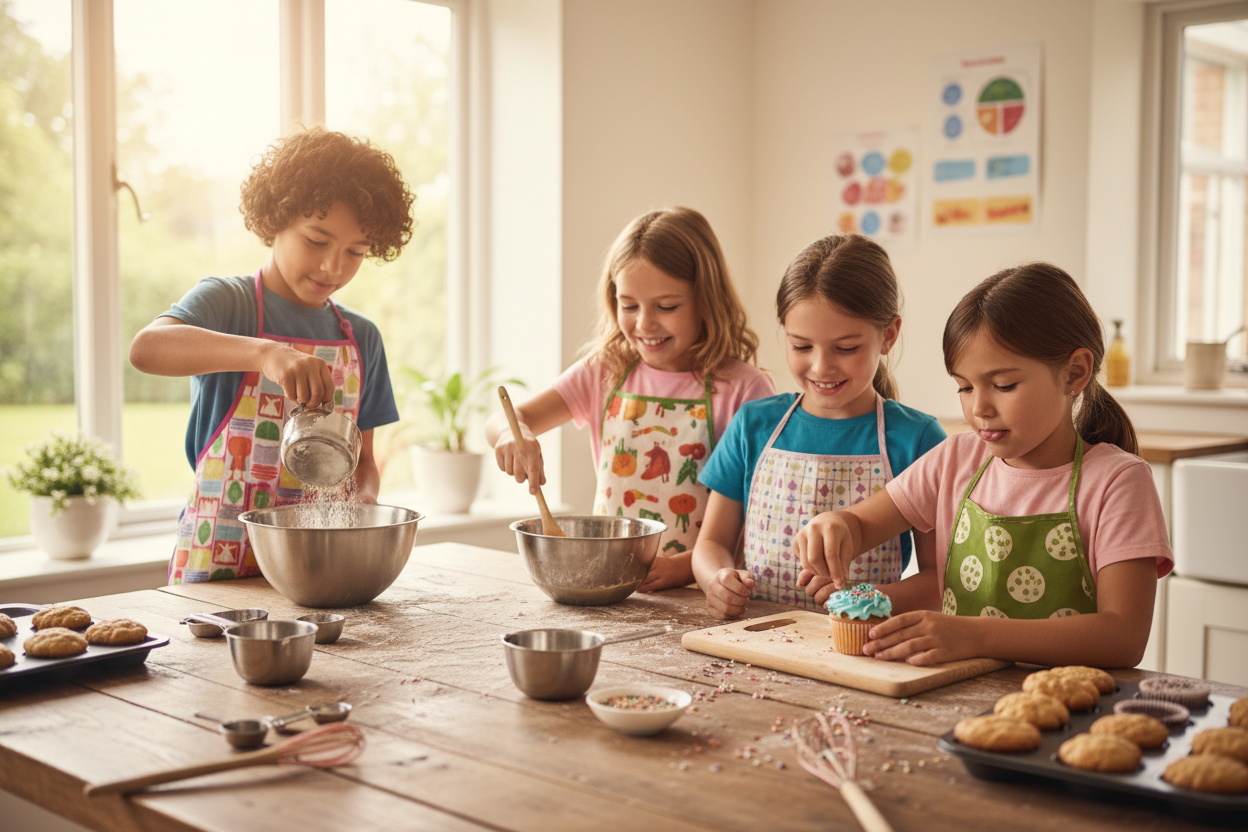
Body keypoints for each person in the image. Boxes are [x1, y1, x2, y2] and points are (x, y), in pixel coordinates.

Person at [796, 262, 1173, 669]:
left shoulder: (1118, 482)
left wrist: (974, 635)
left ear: (1074, 373)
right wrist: (837, 526)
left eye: (1004, 385)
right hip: (956, 698)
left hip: (1071, 709)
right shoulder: (956, 460)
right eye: (964, 386)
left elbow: (1123, 637)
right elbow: (862, 524)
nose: (979, 408)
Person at [130, 127, 414, 584]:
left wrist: (364, 501)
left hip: (314, 573)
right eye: (317, 241)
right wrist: (265, 354)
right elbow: (146, 349)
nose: (333, 267)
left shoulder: (363, 337)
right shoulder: (228, 303)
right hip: (215, 570)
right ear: (276, 218)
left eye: (356, 252)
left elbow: (364, 462)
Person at [485, 207, 775, 591]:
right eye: (629, 305)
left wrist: (684, 568)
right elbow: (501, 419)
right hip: (613, 586)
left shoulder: (742, 389)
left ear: (706, 298)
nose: (644, 323)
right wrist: (511, 434)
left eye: (667, 306)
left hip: (705, 592)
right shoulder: (604, 371)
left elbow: (758, 520)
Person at [692, 234, 947, 619]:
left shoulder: (919, 440)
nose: (821, 366)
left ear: (888, 335)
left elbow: (940, 578)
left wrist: (870, 598)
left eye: (846, 348)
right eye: (801, 346)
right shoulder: (753, 425)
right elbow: (711, 541)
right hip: (755, 638)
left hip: (858, 646)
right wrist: (717, 579)